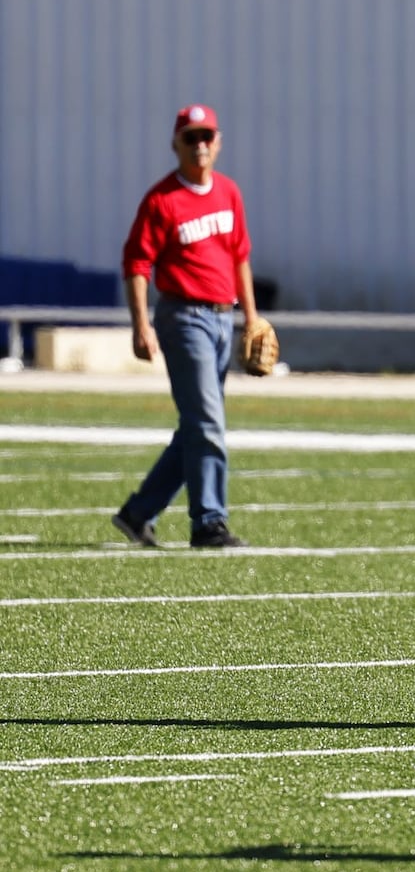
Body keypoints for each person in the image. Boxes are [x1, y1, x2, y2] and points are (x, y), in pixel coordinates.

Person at [112, 104, 263, 549]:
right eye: (190, 137)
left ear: (218, 142)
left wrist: (251, 318)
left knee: (197, 425)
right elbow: (137, 263)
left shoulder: (229, 193)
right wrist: (140, 324)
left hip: (222, 318)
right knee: (208, 422)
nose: (200, 145)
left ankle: (137, 513)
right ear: (175, 143)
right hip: (183, 318)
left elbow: (240, 257)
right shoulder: (162, 200)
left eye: (207, 137)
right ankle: (208, 523)